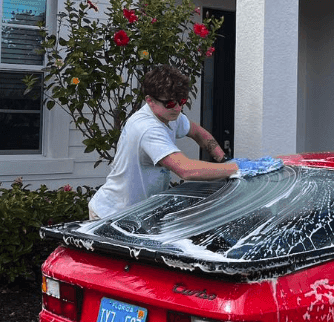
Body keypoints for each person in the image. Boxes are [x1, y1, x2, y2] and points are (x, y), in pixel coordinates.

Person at [88, 64, 237, 219]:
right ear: (150, 100)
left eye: (182, 101)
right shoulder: (147, 128)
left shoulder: (171, 116)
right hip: (111, 214)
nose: (178, 108)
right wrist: (235, 168)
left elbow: (198, 133)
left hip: (138, 213)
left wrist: (223, 159)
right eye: (170, 103)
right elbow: (185, 170)